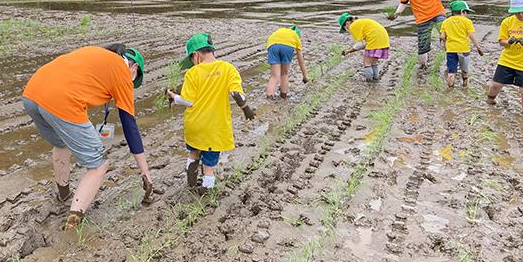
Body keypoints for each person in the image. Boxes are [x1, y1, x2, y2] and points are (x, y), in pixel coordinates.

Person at [21, 44, 154, 230]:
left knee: (60, 144)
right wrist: (145, 173)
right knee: (98, 165)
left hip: (32, 93)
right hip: (62, 100)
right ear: (134, 69)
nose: (131, 83)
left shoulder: (95, 54)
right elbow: (129, 126)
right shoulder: (122, 71)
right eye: (134, 79)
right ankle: (73, 223)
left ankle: (64, 195)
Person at [166, 33, 254, 195]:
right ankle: (206, 192)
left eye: (191, 60)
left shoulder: (193, 73)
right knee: (209, 166)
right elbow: (237, 93)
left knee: (194, 153)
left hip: (195, 125)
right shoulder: (228, 69)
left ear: (196, 55)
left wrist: (173, 97)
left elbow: (188, 101)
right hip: (215, 127)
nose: (192, 64)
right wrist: (245, 107)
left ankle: (191, 183)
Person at [391, 0, 461, 69]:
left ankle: (453, 61)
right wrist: (396, 14)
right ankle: (423, 65)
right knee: (423, 45)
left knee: (447, 35)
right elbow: (403, 3)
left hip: (437, 12)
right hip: (422, 18)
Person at [486, 0, 523, 112]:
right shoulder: (507, 22)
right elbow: (501, 41)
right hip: (507, 60)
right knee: (495, 85)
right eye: (517, 12)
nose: (520, 15)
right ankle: (489, 103)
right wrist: (508, 42)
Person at [439, 1, 484, 88]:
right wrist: (478, 46)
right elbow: (471, 35)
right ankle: (464, 85)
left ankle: (450, 88)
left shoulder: (446, 22)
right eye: (466, 12)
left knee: (451, 71)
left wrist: (445, 46)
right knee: (465, 69)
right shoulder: (467, 21)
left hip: (451, 50)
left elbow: (442, 36)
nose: (466, 14)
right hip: (463, 49)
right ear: (462, 11)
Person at [338, 13, 391, 82]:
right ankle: (376, 79)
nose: (347, 30)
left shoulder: (353, 26)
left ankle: (369, 82)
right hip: (384, 41)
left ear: (347, 23)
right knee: (373, 63)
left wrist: (349, 51)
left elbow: (361, 44)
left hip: (374, 41)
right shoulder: (360, 22)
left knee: (367, 63)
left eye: (345, 28)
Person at [265, 25, 309, 99]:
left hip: (272, 45)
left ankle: (269, 97)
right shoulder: (295, 36)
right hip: (287, 47)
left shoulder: (281, 31)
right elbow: (301, 61)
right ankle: (283, 95)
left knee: (274, 76)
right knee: (284, 74)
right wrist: (305, 77)